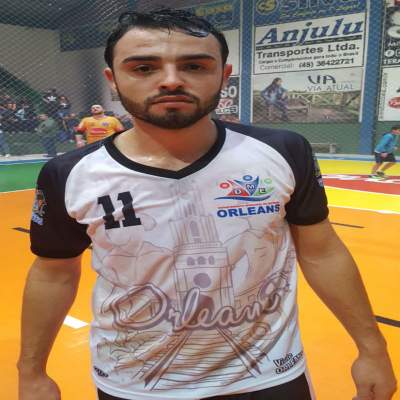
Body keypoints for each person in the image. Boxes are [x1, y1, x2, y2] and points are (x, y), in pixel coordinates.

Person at [18, 8, 397, 400]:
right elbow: (54, 274)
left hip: (269, 375)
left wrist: (372, 348)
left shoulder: (283, 151)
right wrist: (32, 372)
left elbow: (322, 252)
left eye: (194, 66)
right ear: (113, 79)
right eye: (144, 68)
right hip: (134, 382)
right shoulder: (69, 174)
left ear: (223, 75)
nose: (171, 80)